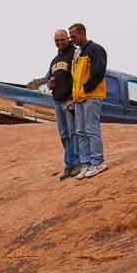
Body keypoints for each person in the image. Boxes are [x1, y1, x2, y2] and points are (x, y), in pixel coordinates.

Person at [69, 23, 108, 179]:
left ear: (82, 33)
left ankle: (98, 162)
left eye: (74, 36)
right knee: (80, 131)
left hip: (92, 95)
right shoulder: (78, 53)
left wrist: (86, 89)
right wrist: (76, 95)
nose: (72, 39)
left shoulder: (96, 49)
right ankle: (86, 164)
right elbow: (75, 76)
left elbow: (98, 72)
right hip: (79, 97)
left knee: (91, 129)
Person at [46, 29, 78, 178]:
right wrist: (50, 84)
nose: (59, 43)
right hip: (57, 100)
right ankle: (69, 164)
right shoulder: (54, 60)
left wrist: (73, 97)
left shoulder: (74, 54)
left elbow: (78, 77)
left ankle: (75, 163)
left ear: (68, 39)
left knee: (73, 133)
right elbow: (49, 78)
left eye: (62, 40)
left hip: (69, 99)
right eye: (56, 41)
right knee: (64, 134)